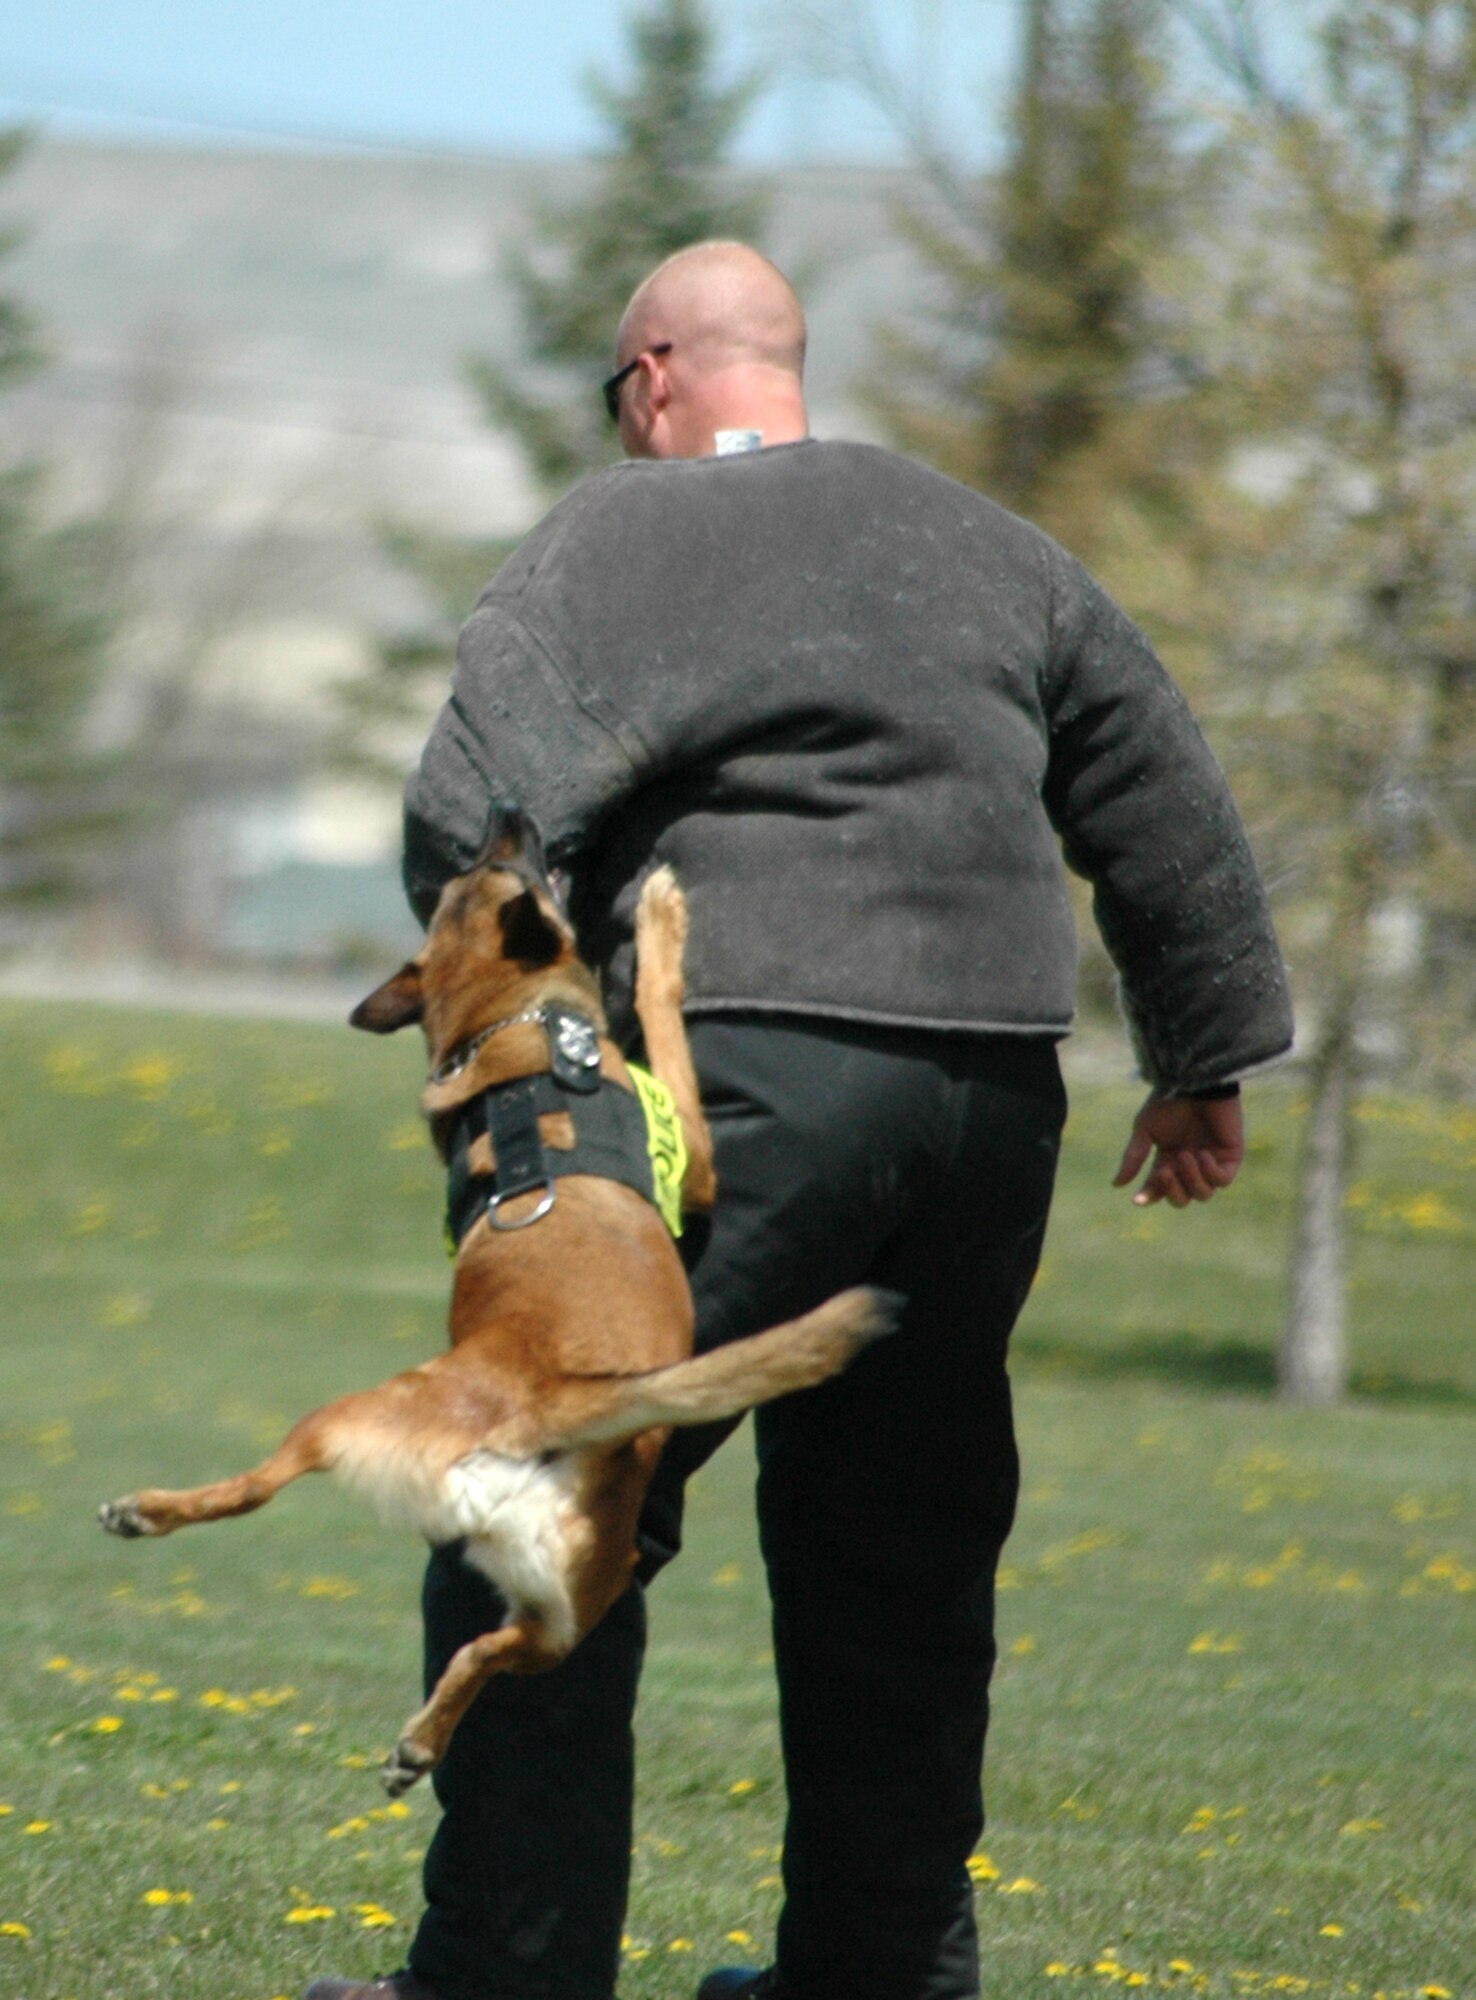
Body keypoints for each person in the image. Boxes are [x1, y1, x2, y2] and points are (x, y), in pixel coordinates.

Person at [305, 242, 1292, 2000]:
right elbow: (1158, 777)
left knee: (537, 1498)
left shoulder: (616, 537)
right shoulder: (983, 542)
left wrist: (527, 1074)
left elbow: (478, 812)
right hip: (989, 1092)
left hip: (743, 1071)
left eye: (621, 393)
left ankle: (504, 1978)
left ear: (661, 376)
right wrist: (1202, 1054)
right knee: (900, 1554)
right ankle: (880, 1977)